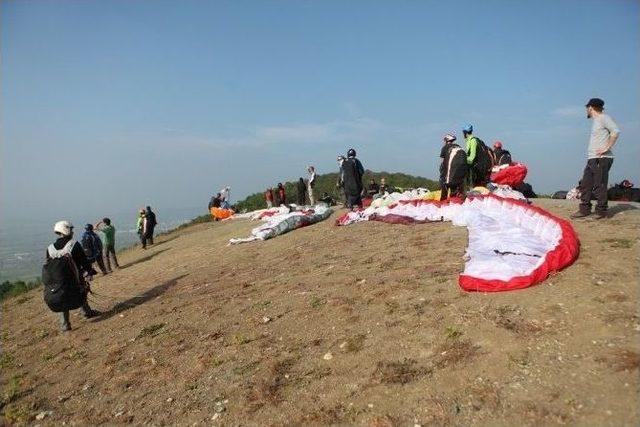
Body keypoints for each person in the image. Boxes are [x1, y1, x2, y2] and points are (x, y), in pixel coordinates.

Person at [46, 221, 100, 331]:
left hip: (57, 281)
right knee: (81, 291)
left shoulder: (50, 248)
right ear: (66, 230)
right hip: (74, 278)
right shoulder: (74, 244)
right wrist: (89, 271)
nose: (72, 232)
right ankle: (87, 312)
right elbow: (83, 261)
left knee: (61, 298)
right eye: (71, 229)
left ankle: (65, 325)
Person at [572, 98, 620, 219]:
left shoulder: (604, 118)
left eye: (587, 108)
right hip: (592, 158)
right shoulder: (597, 121)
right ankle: (584, 210)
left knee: (600, 185)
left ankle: (601, 211)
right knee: (586, 184)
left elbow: (615, 131)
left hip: (602, 158)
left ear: (590, 108)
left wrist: (607, 147)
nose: (586, 110)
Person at [439, 133, 467, 200]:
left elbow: (443, 161)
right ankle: (456, 197)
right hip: (462, 165)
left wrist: (442, 171)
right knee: (456, 181)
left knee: (445, 182)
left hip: (452, 165)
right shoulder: (458, 146)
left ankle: (443, 199)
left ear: (446, 140)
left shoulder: (445, 147)